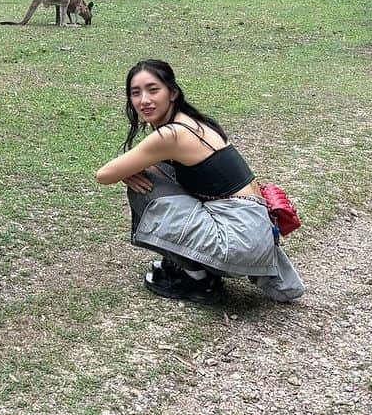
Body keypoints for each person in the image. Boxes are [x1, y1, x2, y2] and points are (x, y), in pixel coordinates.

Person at [94, 59, 304, 305]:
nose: (144, 100)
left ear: (172, 93)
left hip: (237, 238)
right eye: (135, 92)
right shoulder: (192, 122)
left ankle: (199, 280)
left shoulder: (170, 135)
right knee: (158, 170)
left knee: (147, 185)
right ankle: (202, 265)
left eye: (153, 90)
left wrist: (127, 173)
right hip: (256, 233)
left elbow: (104, 175)